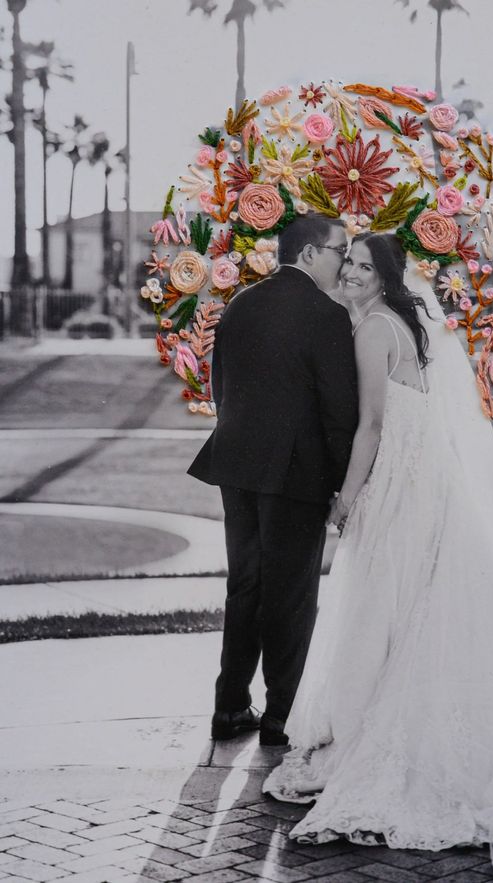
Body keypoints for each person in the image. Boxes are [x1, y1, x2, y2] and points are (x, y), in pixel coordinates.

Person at [263, 233, 493, 883]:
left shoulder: (372, 332)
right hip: (434, 480)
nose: (354, 275)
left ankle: (377, 734)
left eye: (367, 267)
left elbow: (371, 425)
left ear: (387, 274)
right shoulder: (412, 323)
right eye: (352, 264)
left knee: (384, 605)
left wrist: (348, 494)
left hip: (398, 479)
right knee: (421, 606)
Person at [188, 214, 359, 747]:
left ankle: (230, 707)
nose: (345, 262)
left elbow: (220, 388)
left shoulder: (240, 302)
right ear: (309, 254)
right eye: (340, 251)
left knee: (245, 586)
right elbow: (339, 413)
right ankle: (281, 715)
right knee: (290, 594)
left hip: (236, 465)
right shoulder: (326, 315)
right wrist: (340, 483)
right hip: (296, 472)